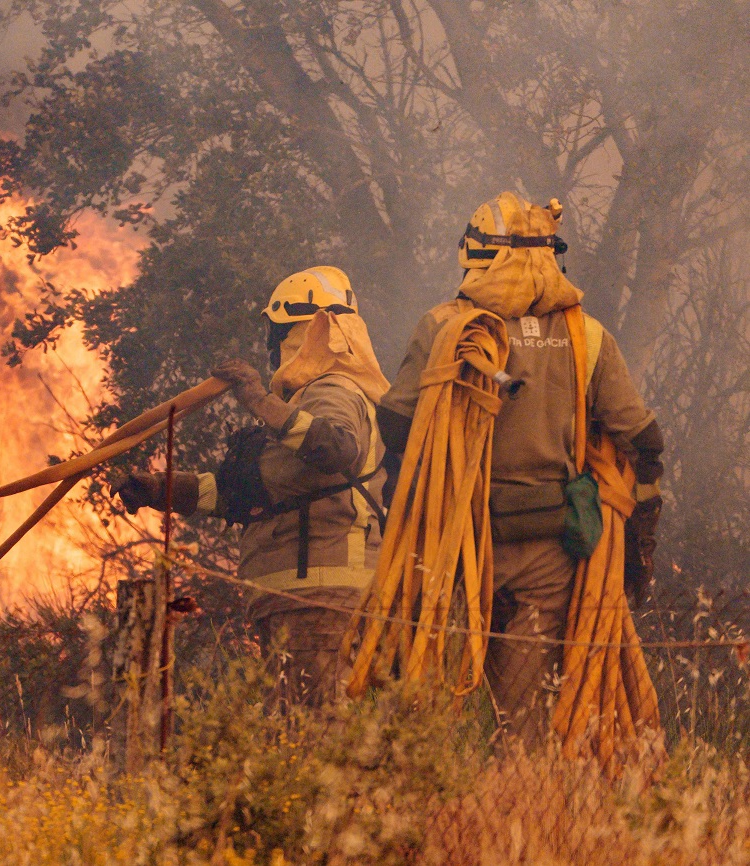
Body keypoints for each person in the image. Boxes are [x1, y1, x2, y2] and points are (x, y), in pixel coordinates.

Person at [376, 192, 665, 740]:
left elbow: (394, 428)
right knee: (522, 713)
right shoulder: (589, 336)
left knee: (431, 699)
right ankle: (521, 801)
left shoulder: (443, 326)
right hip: (548, 554)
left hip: (455, 544)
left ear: (477, 254)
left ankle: (430, 799)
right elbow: (643, 437)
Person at [117, 266, 390, 704]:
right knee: (302, 735)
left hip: (321, 595)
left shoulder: (333, 391)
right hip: (300, 596)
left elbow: (336, 448)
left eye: (277, 332)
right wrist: (160, 490)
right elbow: (244, 495)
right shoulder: (301, 406)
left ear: (301, 331)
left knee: (318, 737)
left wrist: (259, 401)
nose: (272, 346)